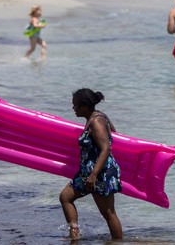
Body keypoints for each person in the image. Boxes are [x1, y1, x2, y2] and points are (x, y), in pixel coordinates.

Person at [59, 88, 122, 240]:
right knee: (65, 197)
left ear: (85, 106)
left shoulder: (96, 121)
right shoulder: (96, 118)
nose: (73, 108)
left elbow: (106, 148)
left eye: (75, 105)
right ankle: (74, 234)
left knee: (108, 213)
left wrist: (94, 174)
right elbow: (114, 132)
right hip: (87, 172)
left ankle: (118, 242)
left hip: (99, 173)